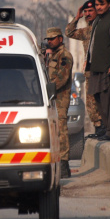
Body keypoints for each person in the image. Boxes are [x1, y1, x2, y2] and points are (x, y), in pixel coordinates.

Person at [86, 0, 110, 141]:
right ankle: (107, 129)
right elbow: (93, 44)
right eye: (97, 5)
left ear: (108, 4)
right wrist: (87, 60)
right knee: (99, 101)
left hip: (108, 70)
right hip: (96, 67)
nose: (99, 7)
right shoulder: (97, 21)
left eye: (101, 4)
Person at [65, 0, 105, 136]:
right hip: (90, 71)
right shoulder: (86, 31)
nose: (87, 14)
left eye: (90, 11)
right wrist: (77, 17)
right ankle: (99, 127)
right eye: (86, 12)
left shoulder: (103, 27)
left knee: (103, 99)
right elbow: (69, 33)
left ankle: (106, 127)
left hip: (103, 71)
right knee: (91, 101)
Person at [45, 27, 73, 178]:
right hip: (51, 98)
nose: (49, 41)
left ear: (60, 39)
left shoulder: (64, 56)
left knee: (61, 131)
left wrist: (47, 90)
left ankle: (64, 164)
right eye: (48, 39)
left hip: (60, 98)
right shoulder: (52, 55)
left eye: (52, 38)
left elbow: (62, 78)